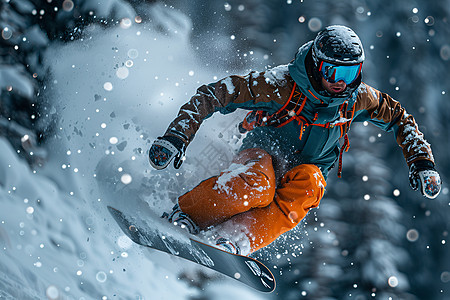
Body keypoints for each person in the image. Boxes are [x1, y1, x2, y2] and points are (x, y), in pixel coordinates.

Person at [148, 25, 441, 256]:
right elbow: (216, 94)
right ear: (317, 65)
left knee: (310, 185)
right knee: (259, 185)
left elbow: (399, 117)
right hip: (261, 154)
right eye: (333, 71)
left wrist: (422, 161)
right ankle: (187, 214)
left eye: (350, 72)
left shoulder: (356, 98)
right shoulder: (280, 84)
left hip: (305, 170)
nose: (341, 81)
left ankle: (235, 239)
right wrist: (177, 135)